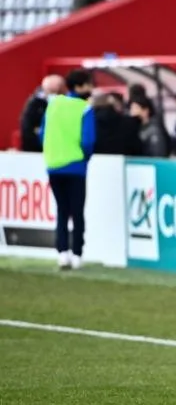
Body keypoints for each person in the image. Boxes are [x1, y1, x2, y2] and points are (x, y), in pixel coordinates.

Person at [39, 69, 96, 269]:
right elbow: (88, 141)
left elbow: (42, 135)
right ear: (80, 87)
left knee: (62, 210)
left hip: (54, 165)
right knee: (77, 211)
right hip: (76, 166)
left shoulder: (53, 106)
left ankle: (62, 252)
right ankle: (77, 253)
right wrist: (84, 158)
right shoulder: (84, 108)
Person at [19, 75, 65, 153]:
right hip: (34, 150)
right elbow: (27, 127)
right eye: (52, 91)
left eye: (57, 91)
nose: (55, 94)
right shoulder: (34, 104)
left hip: (57, 150)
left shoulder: (64, 103)